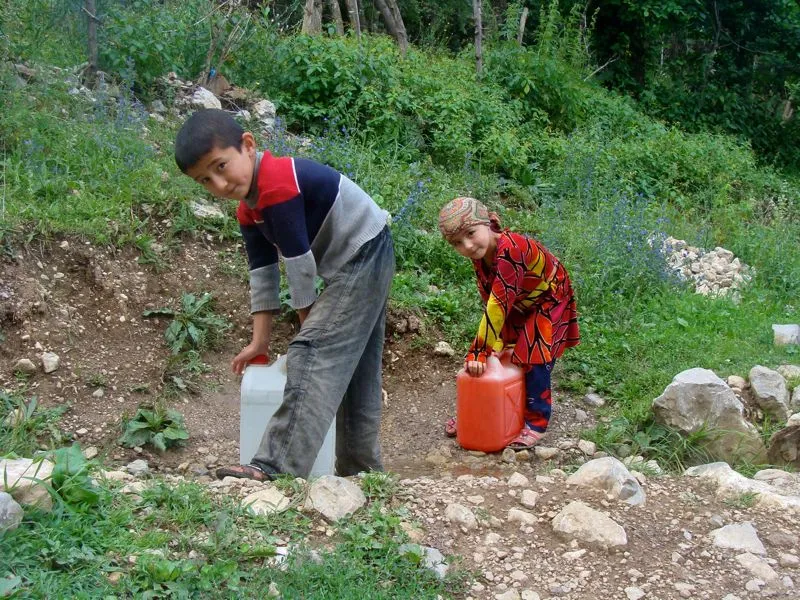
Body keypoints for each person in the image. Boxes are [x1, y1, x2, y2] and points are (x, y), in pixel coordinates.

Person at [174, 109, 394, 480]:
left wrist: (309, 332)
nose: (218, 184)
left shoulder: (277, 182)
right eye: (204, 181)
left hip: (365, 250)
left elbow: (299, 266)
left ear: (248, 144)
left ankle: (274, 467)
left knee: (313, 353)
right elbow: (263, 275)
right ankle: (362, 473)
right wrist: (259, 342)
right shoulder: (249, 209)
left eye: (221, 166)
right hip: (361, 255)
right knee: (356, 369)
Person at [438, 197, 579, 449]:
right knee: (500, 355)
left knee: (534, 355)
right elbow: (490, 296)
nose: (467, 245)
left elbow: (498, 305)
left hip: (548, 298)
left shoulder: (512, 249)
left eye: (471, 233)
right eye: (457, 243)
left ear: (489, 224)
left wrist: (479, 350)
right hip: (516, 300)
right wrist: (494, 343)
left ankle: (536, 422)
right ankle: (476, 414)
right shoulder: (481, 257)